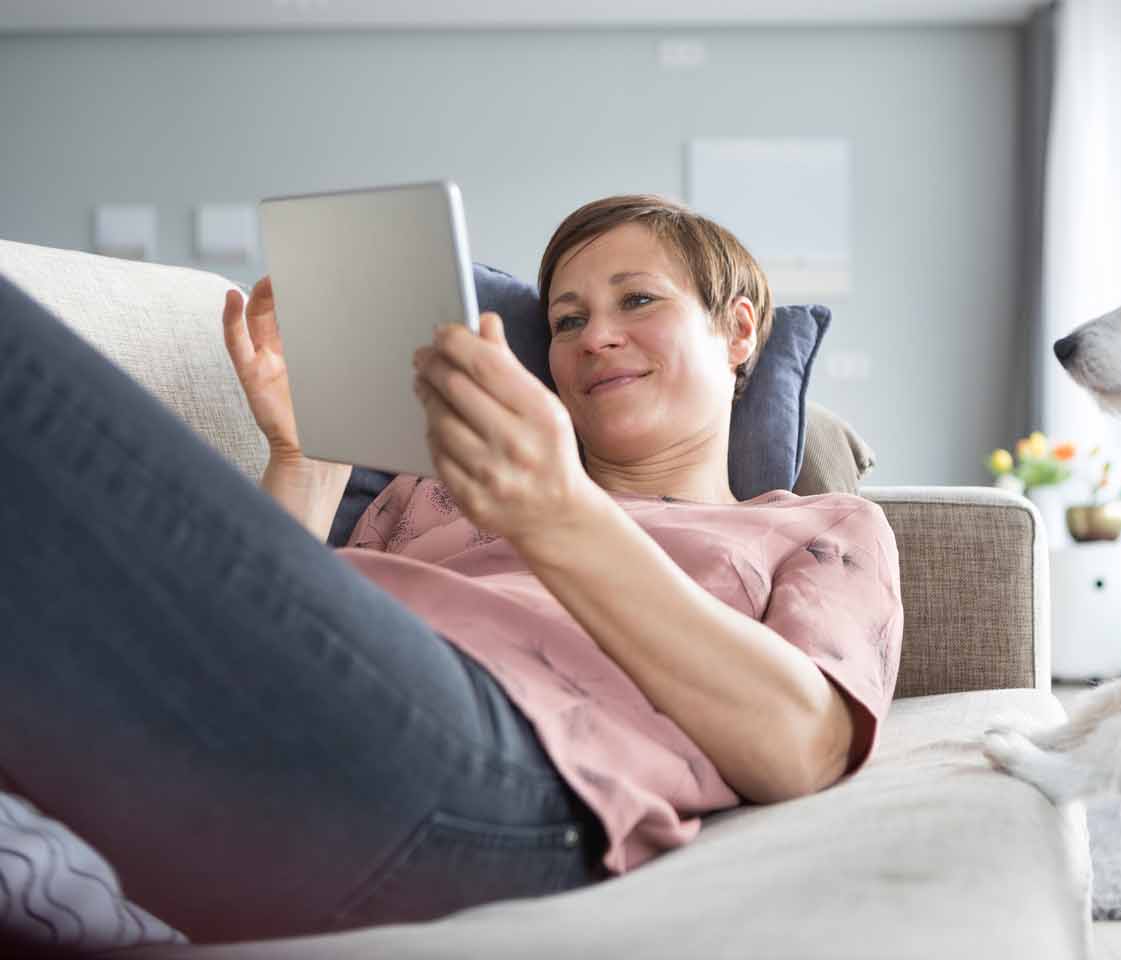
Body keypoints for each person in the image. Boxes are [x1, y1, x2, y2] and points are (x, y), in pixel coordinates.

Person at [0, 195, 902, 946]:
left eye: (636, 302)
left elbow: (807, 745)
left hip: (511, 784)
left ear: (739, 332)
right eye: (567, 320)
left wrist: (558, 514)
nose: (595, 338)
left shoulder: (818, 528)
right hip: (271, 747)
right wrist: (306, 453)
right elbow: (263, 637)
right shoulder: (436, 493)